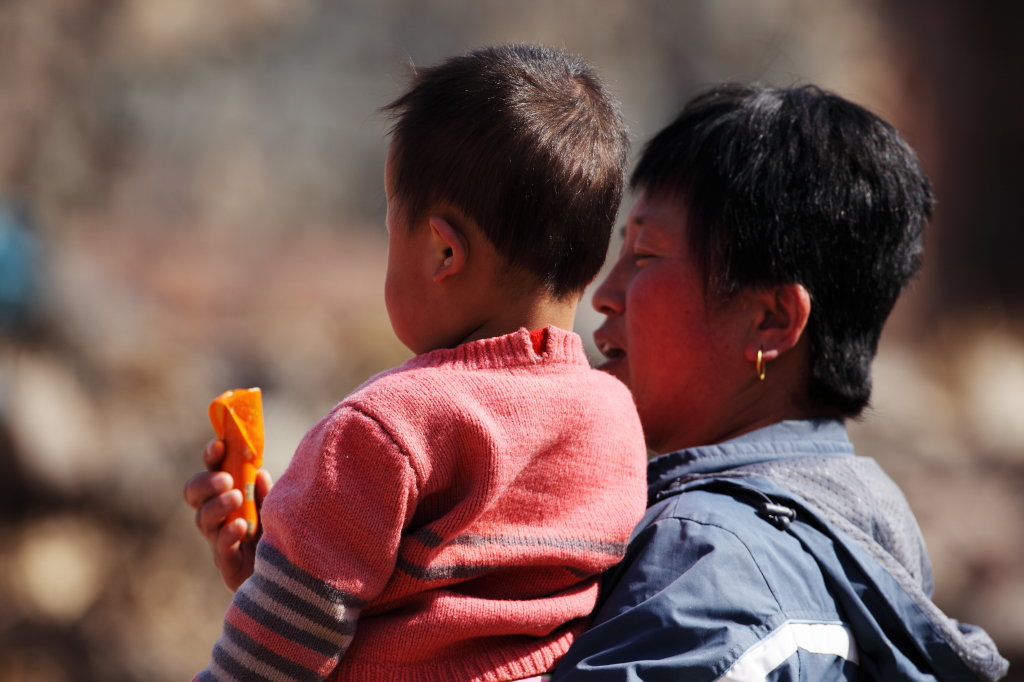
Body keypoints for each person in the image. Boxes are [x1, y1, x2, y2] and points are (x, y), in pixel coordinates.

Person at [184, 44, 649, 682]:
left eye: (388, 229)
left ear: (441, 252)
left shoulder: (387, 428)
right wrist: (281, 563)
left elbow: (272, 662)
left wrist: (298, 570)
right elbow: (455, 589)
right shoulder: (616, 421)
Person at [550, 84, 1008, 680]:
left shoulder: (707, 564)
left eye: (645, 255)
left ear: (770, 321)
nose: (605, 295)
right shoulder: (867, 540)